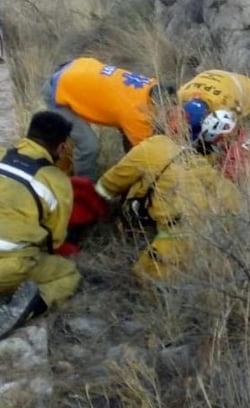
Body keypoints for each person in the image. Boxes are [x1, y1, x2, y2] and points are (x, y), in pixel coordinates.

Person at [94, 108, 242, 283]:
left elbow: (108, 185)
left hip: (178, 234)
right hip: (219, 241)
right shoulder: (198, 160)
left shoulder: (152, 147)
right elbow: (233, 199)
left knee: (146, 278)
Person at [0, 111, 81, 340]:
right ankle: (19, 311)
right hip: (8, 265)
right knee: (68, 274)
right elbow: (54, 239)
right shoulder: (56, 182)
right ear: (62, 147)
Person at [42, 56, 171, 182]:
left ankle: (64, 172)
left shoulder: (153, 85)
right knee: (88, 146)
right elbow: (147, 154)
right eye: (168, 113)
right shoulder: (136, 113)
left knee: (75, 141)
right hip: (58, 91)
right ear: (158, 106)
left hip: (77, 69)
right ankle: (84, 188)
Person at [176, 69, 250, 136]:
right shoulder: (182, 94)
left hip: (246, 85)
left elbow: (235, 117)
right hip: (213, 73)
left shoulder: (223, 104)